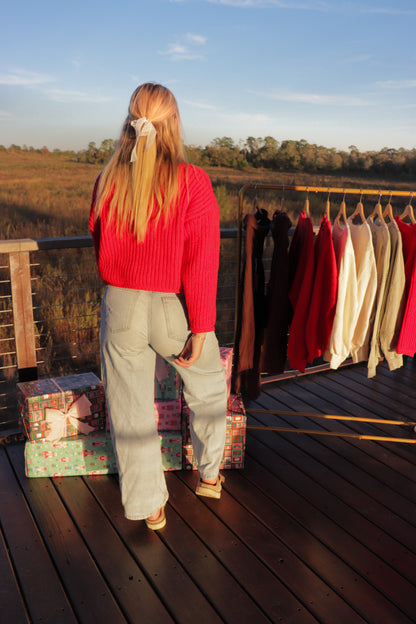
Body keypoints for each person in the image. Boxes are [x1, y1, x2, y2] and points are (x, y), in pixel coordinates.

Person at [89, 83, 227, 531]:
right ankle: (209, 475)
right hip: (170, 306)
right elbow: (202, 259)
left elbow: (98, 239)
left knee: (129, 408)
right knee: (206, 385)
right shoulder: (193, 181)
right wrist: (202, 324)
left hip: (120, 305)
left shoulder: (107, 179)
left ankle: (150, 505)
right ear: (174, 123)